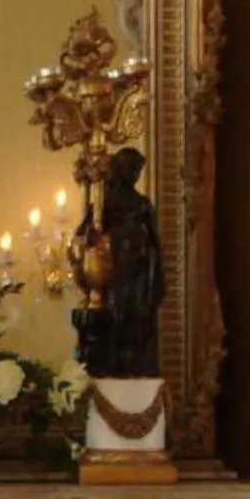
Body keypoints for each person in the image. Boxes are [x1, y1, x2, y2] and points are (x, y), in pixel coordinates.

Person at [95, 147, 164, 378]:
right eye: (131, 168)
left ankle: (136, 360)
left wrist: (155, 273)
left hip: (141, 268)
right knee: (117, 312)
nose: (134, 174)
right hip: (118, 266)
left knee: (139, 314)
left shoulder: (143, 203)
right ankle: (117, 358)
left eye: (137, 170)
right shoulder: (108, 201)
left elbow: (155, 240)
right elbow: (94, 228)